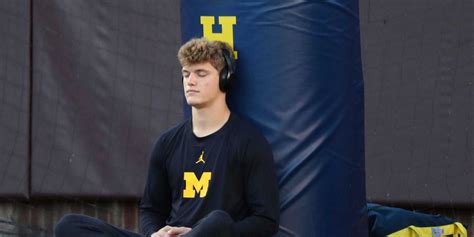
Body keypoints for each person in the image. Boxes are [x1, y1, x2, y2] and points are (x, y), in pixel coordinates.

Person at [54, 37, 280, 237]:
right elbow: (151, 210)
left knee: (218, 221)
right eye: (186, 74)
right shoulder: (168, 143)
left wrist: (207, 233)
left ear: (224, 79)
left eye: (201, 74)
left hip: (212, 234)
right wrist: (155, 233)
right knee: (70, 226)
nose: (190, 81)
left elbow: (266, 221)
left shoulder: (248, 141)